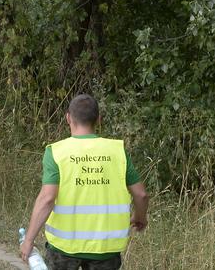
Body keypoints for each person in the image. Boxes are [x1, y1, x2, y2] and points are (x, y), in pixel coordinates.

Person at [20, 94, 149, 270]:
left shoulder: (56, 152)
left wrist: (28, 240)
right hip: (106, 249)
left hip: (64, 248)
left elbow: (47, 198)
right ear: (99, 119)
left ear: (68, 118)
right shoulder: (117, 151)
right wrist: (140, 217)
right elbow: (141, 194)